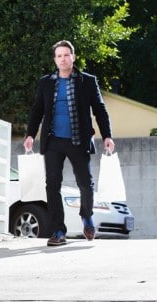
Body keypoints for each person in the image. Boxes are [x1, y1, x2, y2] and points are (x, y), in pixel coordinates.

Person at [23, 40, 115, 247]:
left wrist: (107, 136)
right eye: (59, 56)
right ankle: (58, 230)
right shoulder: (46, 82)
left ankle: (87, 217)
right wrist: (30, 135)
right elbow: (37, 109)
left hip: (78, 140)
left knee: (85, 183)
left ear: (73, 57)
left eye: (66, 55)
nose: (63, 59)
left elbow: (100, 109)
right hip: (53, 140)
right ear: (55, 59)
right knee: (52, 185)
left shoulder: (87, 81)